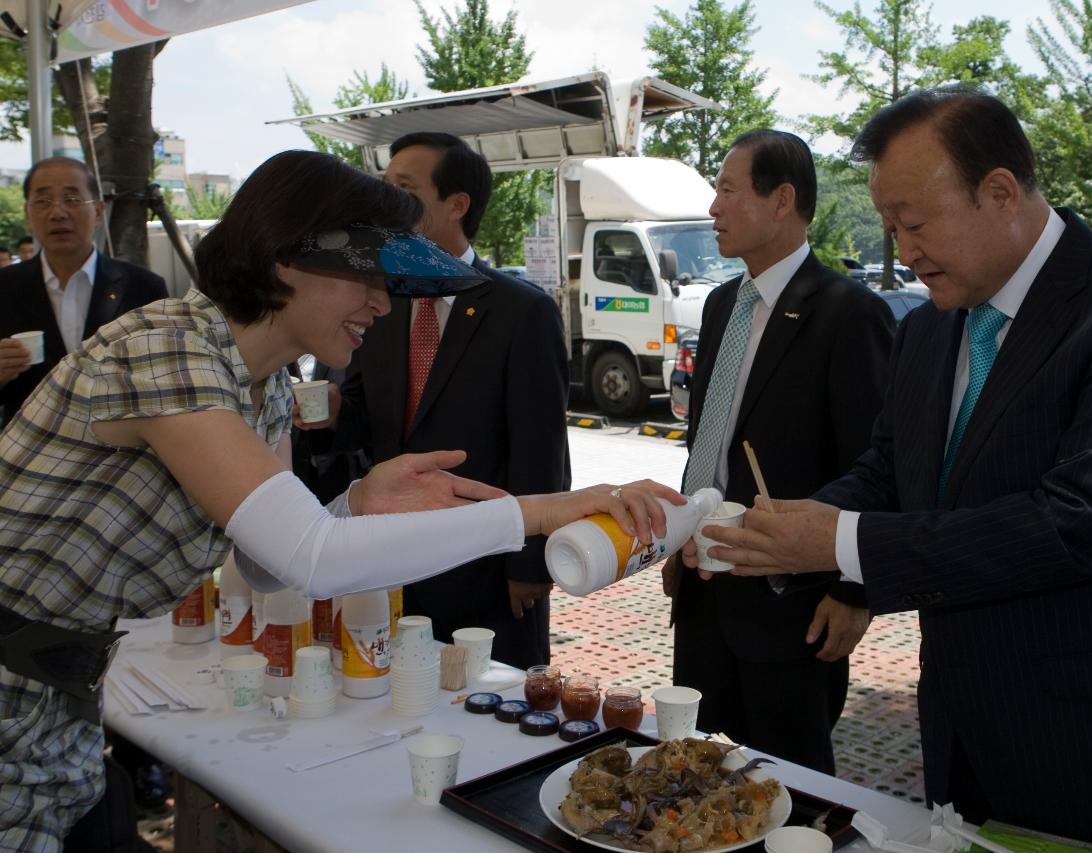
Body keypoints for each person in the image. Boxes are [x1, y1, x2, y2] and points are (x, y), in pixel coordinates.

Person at [0, 149, 679, 849]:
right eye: (367, 276)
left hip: (56, 702)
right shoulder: (169, 350)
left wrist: (357, 500)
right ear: (285, 259)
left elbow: (272, 568)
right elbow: (314, 559)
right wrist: (535, 513)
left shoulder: (258, 390)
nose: (383, 303)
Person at [702, 88, 1092, 849]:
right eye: (890, 226)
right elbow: (887, 474)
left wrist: (841, 543)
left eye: (914, 223)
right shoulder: (927, 329)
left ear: (1000, 191)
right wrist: (769, 531)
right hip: (966, 741)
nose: (902, 248)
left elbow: (1076, 523)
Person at [662, 130, 894, 773]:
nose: (713, 208)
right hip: (705, 590)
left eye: (728, 191)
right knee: (698, 772)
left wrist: (855, 591)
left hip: (793, 610)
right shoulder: (719, 305)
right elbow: (708, 435)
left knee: (787, 785)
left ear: (782, 199)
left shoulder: (849, 313)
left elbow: (875, 466)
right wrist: (681, 531)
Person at [310, 131, 570, 670]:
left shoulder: (521, 310)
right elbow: (367, 417)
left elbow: (540, 448)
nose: (385, 203)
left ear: (456, 205)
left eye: (403, 189)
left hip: (480, 564)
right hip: (388, 561)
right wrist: (335, 412)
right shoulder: (379, 302)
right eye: (383, 187)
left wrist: (529, 564)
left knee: (490, 710)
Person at [0, 157, 167, 425]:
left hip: (119, 456)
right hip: (27, 455)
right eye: (43, 202)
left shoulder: (144, 288)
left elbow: (164, 382)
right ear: (27, 215)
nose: (58, 213)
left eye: (72, 199)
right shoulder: (4, 288)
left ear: (99, 211)